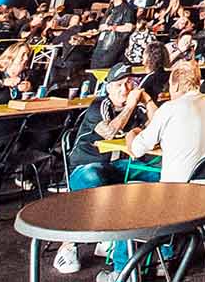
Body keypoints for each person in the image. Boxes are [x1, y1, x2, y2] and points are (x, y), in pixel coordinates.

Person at [54, 75, 149, 276]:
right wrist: (130, 106)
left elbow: (156, 125)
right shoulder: (99, 105)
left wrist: (147, 100)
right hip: (84, 167)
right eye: (118, 85)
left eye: (128, 83)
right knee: (95, 179)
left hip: (116, 167)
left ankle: (153, 251)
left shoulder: (136, 106)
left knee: (160, 174)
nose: (124, 89)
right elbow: (109, 132)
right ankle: (69, 244)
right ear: (108, 88)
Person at [127, 60, 205, 182]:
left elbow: (137, 150)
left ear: (175, 86)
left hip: (176, 188)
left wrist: (132, 134)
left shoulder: (170, 108)